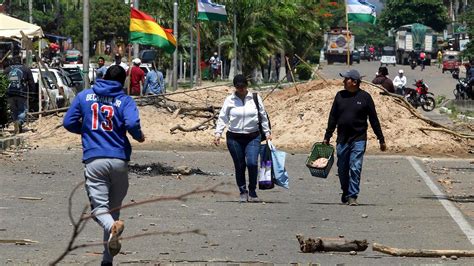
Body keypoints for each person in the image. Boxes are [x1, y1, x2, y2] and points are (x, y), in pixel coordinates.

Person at [63, 65, 145, 265]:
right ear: (122, 81)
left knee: (100, 209)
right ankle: (107, 261)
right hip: (119, 160)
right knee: (113, 210)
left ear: (103, 76)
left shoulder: (84, 96)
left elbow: (68, 122)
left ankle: (113, 229)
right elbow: (133, 124)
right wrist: (138, 136)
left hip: (95, 159)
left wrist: (86, 130)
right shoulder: (125, 100)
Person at [323, 69, 386, 206]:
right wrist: (327, 136)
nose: (344, 81)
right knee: (342, 168)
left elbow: (374, 120)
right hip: (342, 139)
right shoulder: (339, 96)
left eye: (346, 79)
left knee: (355, 167)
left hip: (359, 138)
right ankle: (345, 191)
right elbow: (333, 117)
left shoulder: (365, 98)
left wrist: (380, 138)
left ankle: (352, 196)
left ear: (355, 82)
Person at [214, 74, 272, 203]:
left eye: (243, 86)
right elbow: (223, 117)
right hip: (234, 138)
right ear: (234, 87)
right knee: (240, 165)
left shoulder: (255, 98)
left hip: (253, 136)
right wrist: (218, 133)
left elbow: (262, 116)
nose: (241, 89)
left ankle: (252, 190)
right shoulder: (229, 100)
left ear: (247, 86)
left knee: (252, 163)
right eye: (238, 87)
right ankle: (242, 190)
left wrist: (267, 133)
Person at [3, 56, 35, 134]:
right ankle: (19, 122)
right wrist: (32, 94)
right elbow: (31, 83)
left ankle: (15, 124)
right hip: (22, 93)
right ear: (21, 61)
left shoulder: (7, 70)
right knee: (22, 110)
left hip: (10, 93)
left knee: (13, 110)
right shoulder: (26, 69)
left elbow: (3, 81)